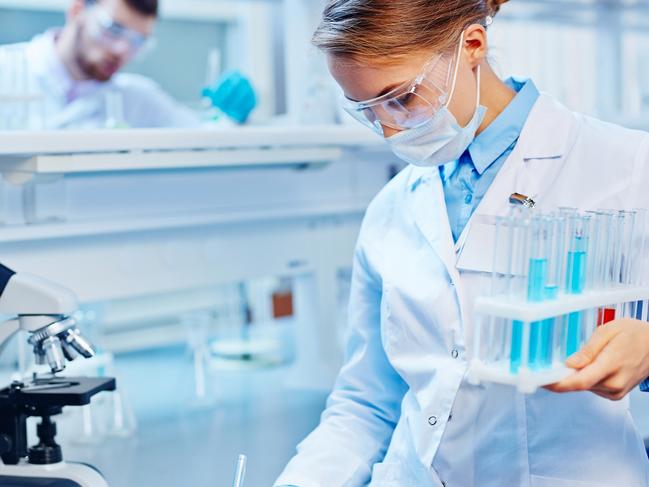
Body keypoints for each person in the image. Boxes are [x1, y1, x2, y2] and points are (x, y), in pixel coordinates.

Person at [275, 1, 649, 486]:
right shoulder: (390, 207)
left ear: (472, 45)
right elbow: (366, 404)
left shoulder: (628, 167)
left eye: (401, 99)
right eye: (367, 112)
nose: (389, 130)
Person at [2, 0, 256, 129]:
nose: (123, 50)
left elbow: (208, 140)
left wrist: (234, 118)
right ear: (77, 11)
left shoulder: (138, 99)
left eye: (138, 41)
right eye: (113, 29)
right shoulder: (7, 70)